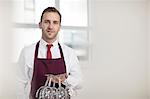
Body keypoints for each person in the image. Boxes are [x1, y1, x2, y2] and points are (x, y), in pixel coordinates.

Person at [16, 7, 82, 99]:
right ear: (40, 24)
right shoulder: (27, 52)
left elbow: (79, 82)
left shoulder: (69, 53)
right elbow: (18, 84)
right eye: (47, 22)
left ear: (59, 27)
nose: (50, 26)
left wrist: (65, 79)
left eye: (55, 22)